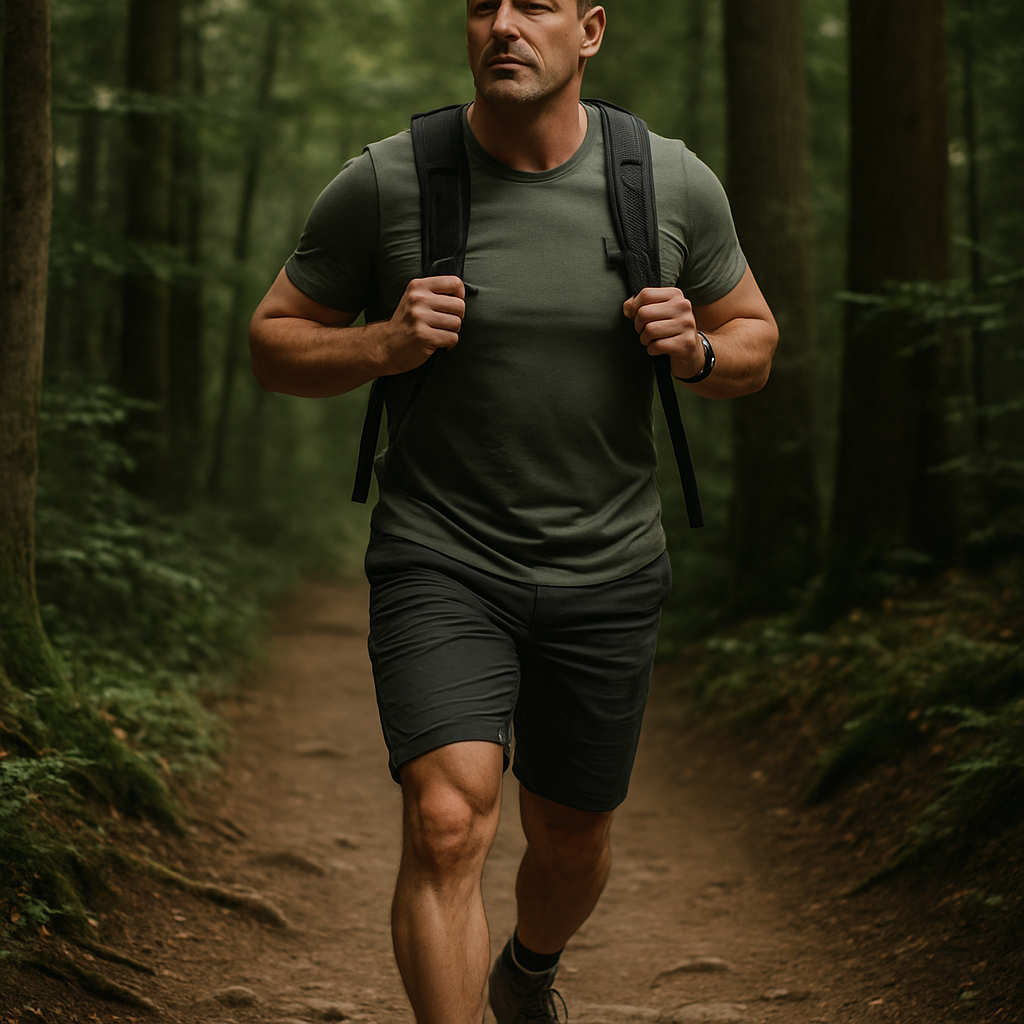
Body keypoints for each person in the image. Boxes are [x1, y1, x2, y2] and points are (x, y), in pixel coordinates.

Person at [249, 1, 777, 1021]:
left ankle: (528, 968)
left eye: (532, 5)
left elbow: (752, 338)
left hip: (610, 565)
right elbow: (275, 345)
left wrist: (699, 351)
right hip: (440, 555)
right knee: (446, 822)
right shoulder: (392, 179)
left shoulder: (665, 179)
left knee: (571, 836)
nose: (502, 24)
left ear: (588, 31)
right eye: (482, 5)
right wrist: (381, 346)